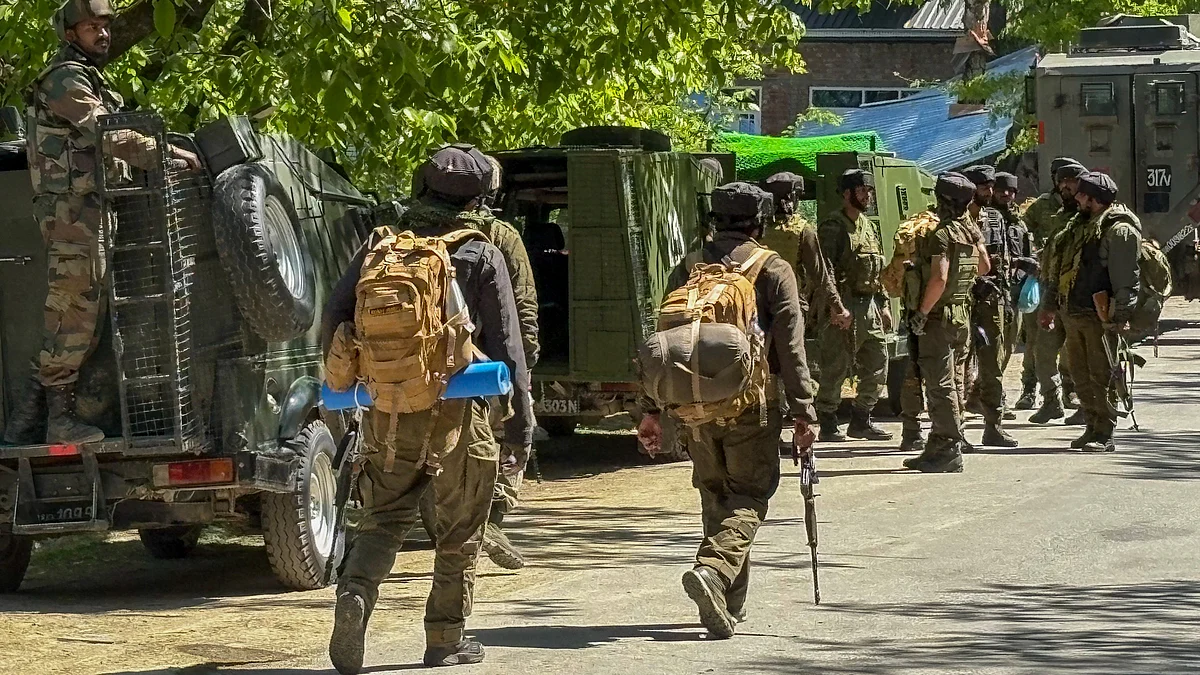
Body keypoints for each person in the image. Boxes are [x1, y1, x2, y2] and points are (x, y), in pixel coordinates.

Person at [322, 145, 534, 671]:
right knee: (460, 528)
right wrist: (522, 422)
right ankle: (444, 639)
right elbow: (510, 346)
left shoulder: (382, 246)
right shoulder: (481, 252)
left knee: (383, 518)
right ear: (481, 198)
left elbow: (335, 311)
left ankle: (355, 595)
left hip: (388, 409)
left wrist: (353, 381)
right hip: (460, 414)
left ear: (421, 186)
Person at [3, 0, 201, 446]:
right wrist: (166, 152)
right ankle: (53, 421)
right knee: (72, 314)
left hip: (92, 210)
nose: (103, 34)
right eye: (92, 27)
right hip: (73, 212)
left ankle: (32, 419)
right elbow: (106, 133)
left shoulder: (89, 76)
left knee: (83, 318)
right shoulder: (65, 78)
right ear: (71, 34)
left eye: (106, 26)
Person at [637, 182, 817, 639]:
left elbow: (661, 343)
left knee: (716, 494)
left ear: (713, 219)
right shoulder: (774, 269)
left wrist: (651, 408)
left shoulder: (690, 268)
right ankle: (714, 574)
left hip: (693, 406)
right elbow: (791, 349)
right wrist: (805, 412)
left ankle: (728, 603)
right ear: (762, 221)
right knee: (751, 496)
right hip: (753, 405)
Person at [1040, 172, 1140, 452]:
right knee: (1080, 375)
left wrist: (1120, 318)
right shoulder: (1077, 225)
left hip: (1100, 318)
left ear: (1095, 199)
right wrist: (1049, 306)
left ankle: (1105, 432)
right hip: (1072, 313)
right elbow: (1059, 269)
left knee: (1102, 375)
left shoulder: (1119, 230)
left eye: (1082, 195)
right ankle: (1092, 426)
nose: (1076, 198)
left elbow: (1126, 279)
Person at [473, 154, 539, 571]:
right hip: (488, 367)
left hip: (417, 366)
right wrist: (525, 365)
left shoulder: (401, 233)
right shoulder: (500, 235)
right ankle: (492, 517)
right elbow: (523, 306)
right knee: (507, 445)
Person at [901, 173, 991, 473]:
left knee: (939, 385)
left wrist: (922, 313)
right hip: (961, 315)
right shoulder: (969, 231)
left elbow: (939, 278)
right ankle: (939, 442)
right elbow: (984, 267)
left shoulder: (943, 234)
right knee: (953, 381)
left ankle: (948, 447)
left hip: (939, 318)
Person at [759, 171, 849, 452]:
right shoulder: (801, 229)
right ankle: (796, 424)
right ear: (795, 198)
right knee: (791, 368)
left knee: (762, 373)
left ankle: (766, 435)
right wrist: (838, 307)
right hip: (788, 308)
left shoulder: (756, 228)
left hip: (751, 310)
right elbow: (820, 275)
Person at [815, 169, 892, 442]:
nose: (867, 196)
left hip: (868, 304)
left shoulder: (867, 225)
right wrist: (836, 307)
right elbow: (825, 272)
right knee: (835, 366)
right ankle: (827, 420)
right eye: (862, 191)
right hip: (844, 304)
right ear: (847, 194)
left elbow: (876, 267)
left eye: (869, 191)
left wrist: (882, 304)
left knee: (878, 362)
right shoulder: (833, 227)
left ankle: (861, 419)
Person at [1022, 159, 1085, 421]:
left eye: (1071, 181)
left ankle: (1082, 399)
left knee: (1076, 352)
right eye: (1062, 181)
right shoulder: (1048, 210)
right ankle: (1050, 399)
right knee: (1043, 350)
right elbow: (1025, 231)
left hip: (1078, 295)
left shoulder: (1089, 213)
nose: (1066, 186)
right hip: (1050, 289)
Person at [961, 165, 1017, 447]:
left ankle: (993, 425)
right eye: (984, 187)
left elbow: (1003, 261)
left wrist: (1004, 296)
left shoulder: (995, 218)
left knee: (992, 364)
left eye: (991, 186)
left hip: (991, 300)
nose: (990, 192)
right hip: (960, 301)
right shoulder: (953, 218)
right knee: (959, 366)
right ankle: (954, 430)